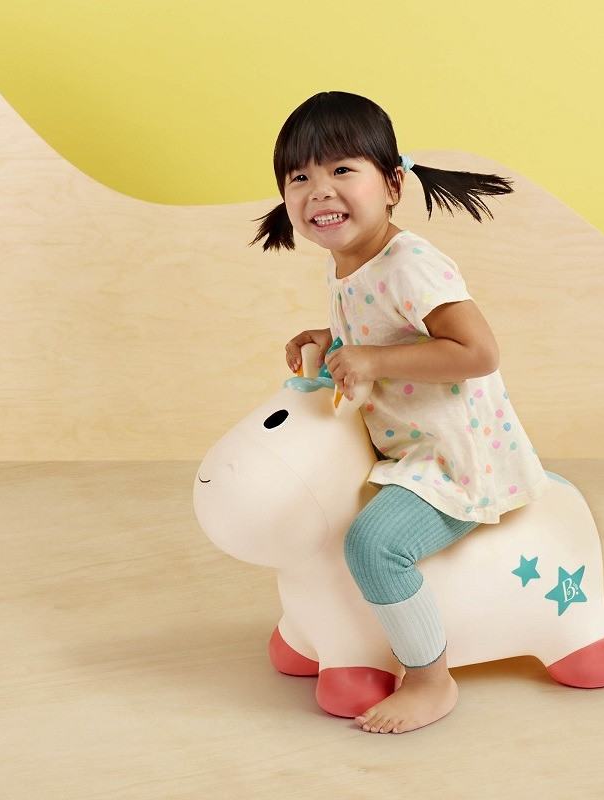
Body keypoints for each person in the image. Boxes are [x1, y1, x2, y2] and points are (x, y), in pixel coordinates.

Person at [249, 91, 549, 734]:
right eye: (299, 177)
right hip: (404, 450)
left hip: (452, 460)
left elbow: (478, 353)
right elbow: (388, 333)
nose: (319, 190)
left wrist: (373, 360)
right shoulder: (349, 266)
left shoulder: (411, 264)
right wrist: (335, 342)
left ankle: (430, 680)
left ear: (392, 185)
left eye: (341, 169)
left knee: (373, 544)